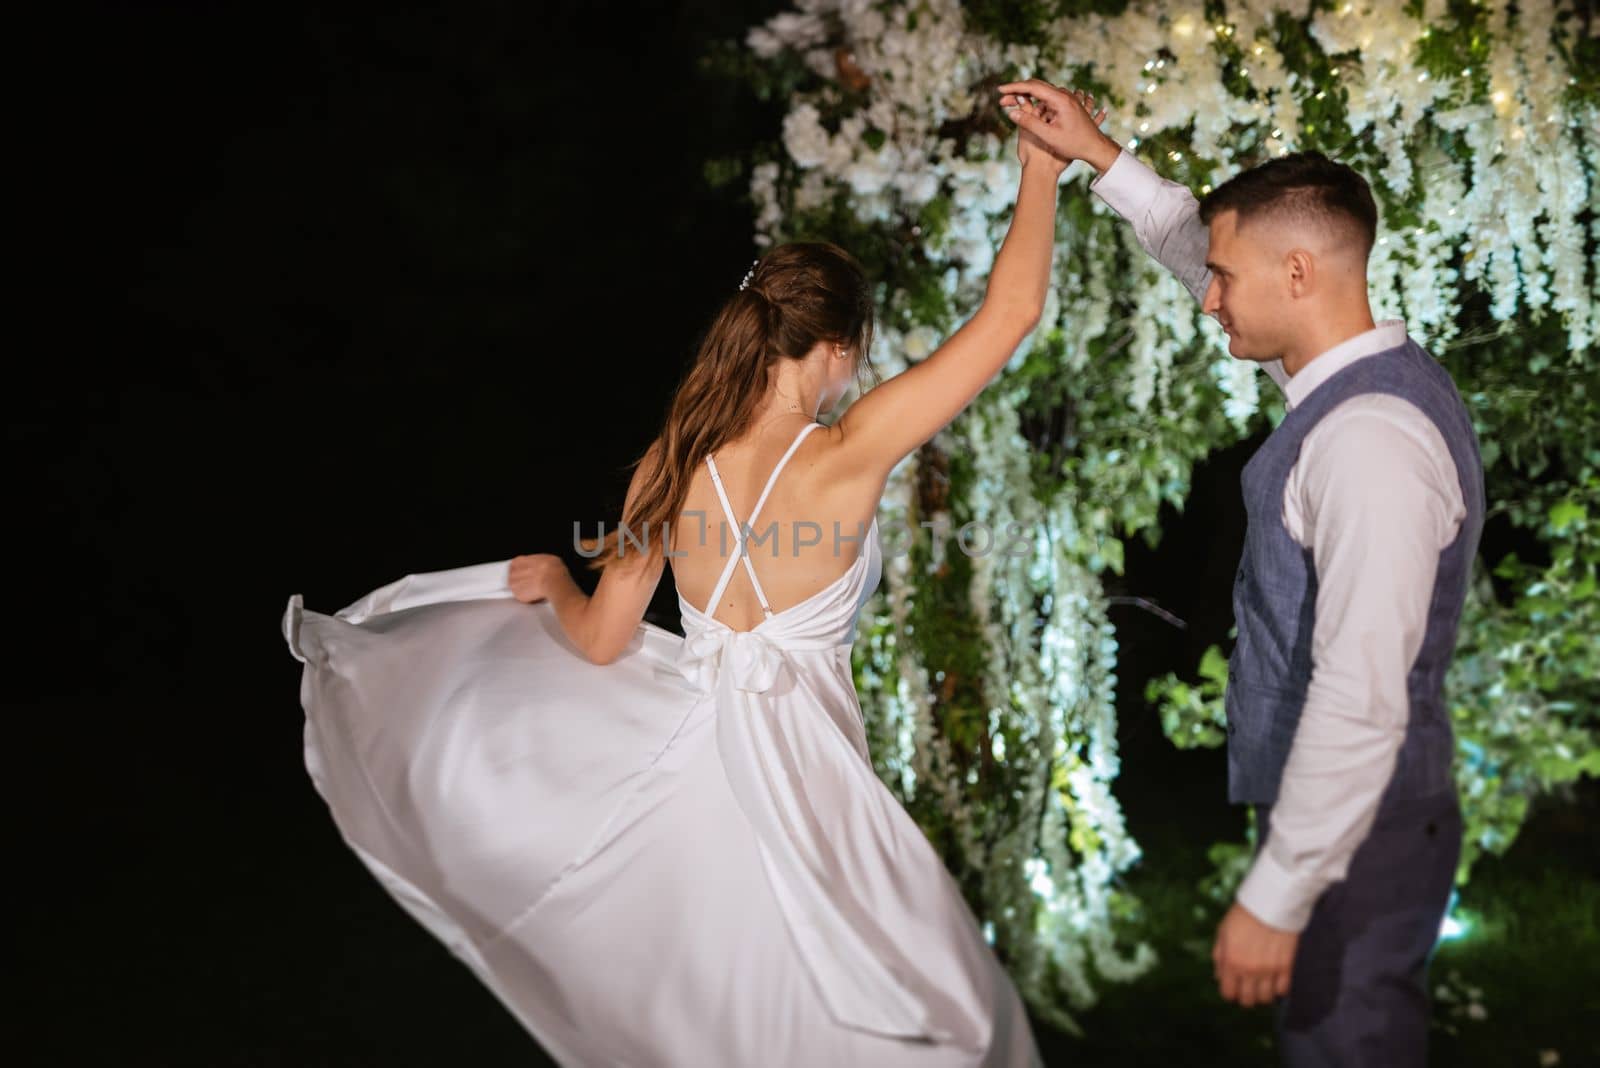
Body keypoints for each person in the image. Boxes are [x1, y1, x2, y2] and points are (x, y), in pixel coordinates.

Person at [281, 95, 1088, 1067]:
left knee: (728, 1018)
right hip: (815, 785)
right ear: (840, 349)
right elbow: (1013, 311)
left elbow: (600, 640)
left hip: (699, 788)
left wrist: (557, 584)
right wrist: (1040, 170)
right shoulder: (850, 448)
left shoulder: (674, 460)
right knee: (931, 1014)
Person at [997, 81, 1486, 1066]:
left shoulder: (1368, 444)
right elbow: (1198, 239)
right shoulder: (1352, 379)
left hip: (1363, 834)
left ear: (1298, 272)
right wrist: (1101, 155)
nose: (1206, 296)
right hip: (1350, 821)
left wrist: (1276, 892)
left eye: (1225, 279)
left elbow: (1358, 694)